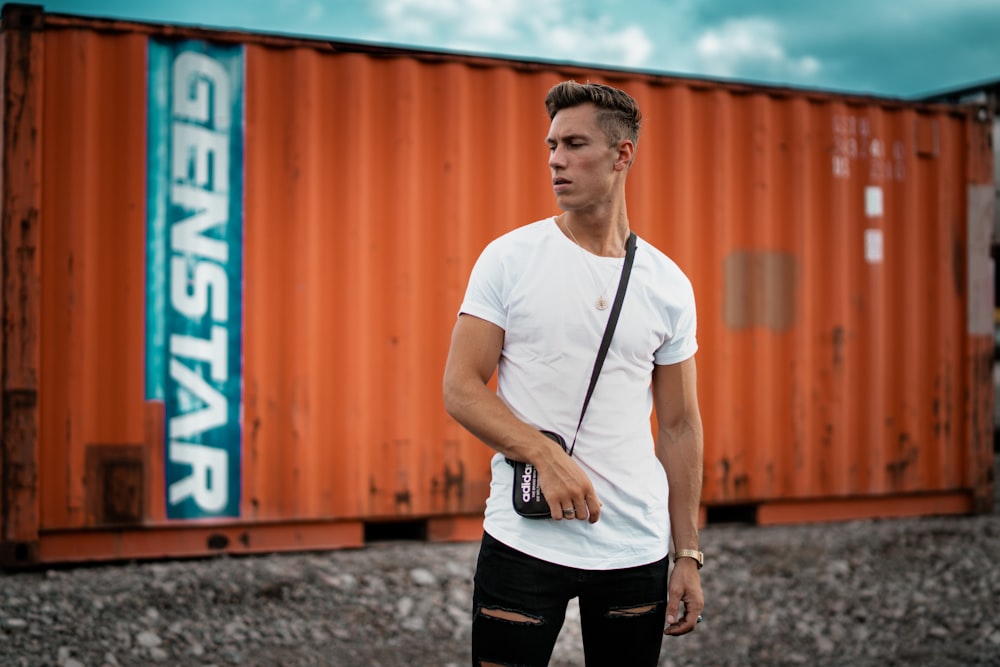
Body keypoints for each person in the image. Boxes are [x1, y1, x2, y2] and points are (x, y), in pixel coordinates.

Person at [442, 80, 704, 667]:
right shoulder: (510, 259)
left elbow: (681, 425)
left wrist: (686, 551)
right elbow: (460, 387)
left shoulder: (668, 285)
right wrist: (544, 454)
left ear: (622, 154)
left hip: (634, 547)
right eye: (551, 145)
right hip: (525, 538)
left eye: (575, 144)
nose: (556, 159)